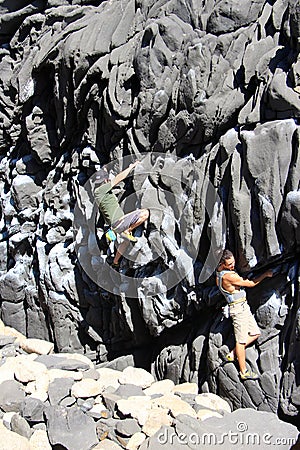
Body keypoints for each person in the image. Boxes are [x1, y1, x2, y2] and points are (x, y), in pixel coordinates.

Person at [216, 249, 273, 381]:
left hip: (243, 306)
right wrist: (265, 274)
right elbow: (250, 284)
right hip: (237, 310)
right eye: (229, 264)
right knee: (240, 341)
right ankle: (244, 372)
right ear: (223, 264)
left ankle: (233, 353)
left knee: (255, 333)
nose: (232, 266)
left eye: (233, 262)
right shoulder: (229, 276)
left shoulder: (219, 271)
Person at [94, 161, 149, 269]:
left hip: (114, 226)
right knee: (145, 213)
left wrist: (104, 169)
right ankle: (127, 230)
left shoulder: (97, 193)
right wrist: (131, 167)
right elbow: (119, 178)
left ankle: (115, 261)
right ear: (104, 180)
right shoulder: (102, 189)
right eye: (107, 179)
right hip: (120, 222)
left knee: (126, 242)